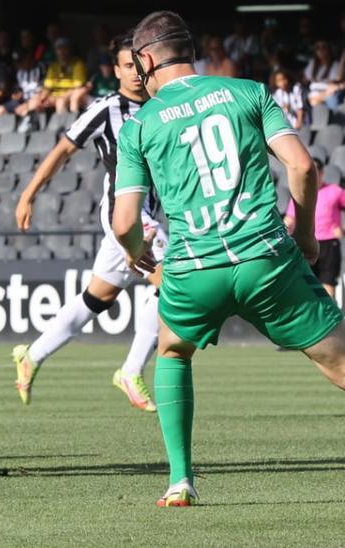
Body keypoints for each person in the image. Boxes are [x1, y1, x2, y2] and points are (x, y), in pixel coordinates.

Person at [114, 11, 345, 507]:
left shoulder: (139, 126)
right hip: (264, 255)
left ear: (147, 59)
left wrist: (139, 257)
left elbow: (123, 222)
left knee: (172, 350)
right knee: (338, 360)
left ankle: (180, 479)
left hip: (194, 267)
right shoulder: (249, 93)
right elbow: (302, 167)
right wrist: (306, 239)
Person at [13, 35, 164, 411]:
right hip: (125, 214)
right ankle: (131, 371)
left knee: (98, 296)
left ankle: (32, 354)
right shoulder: (106, 109)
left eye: (139, 65)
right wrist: (28, 194)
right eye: (127, 66)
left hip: (150, 212)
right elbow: (64, 148)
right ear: (115, 70)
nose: (135, 73)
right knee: (174, 281)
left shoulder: (163, 108)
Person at [285, 159, 345, 299]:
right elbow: (289, 219)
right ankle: (312, 318)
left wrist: (342, 229)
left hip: (329, 244)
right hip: (306, 242)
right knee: (307, 284)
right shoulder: (300, 194)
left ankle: (329, 318)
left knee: (327, 283)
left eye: (315, 173)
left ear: (322, 173)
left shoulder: (334, 191)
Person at [44, 37, 88, 114]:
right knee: (36, 102)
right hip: (55, 95)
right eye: (59, 49)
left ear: (70, 50)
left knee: (60, 102)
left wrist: (62, 96)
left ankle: (63, 126)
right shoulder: (53, 66)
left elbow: (77, 86)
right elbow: (48, 87)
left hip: (72, 94)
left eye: (65, 48)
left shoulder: (77, 64)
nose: (62, 51)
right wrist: (42, 98)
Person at [304, 40, 343, 107]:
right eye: (318, 48)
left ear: (330, 49)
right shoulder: (313, 63)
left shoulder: (335, 65)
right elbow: (305, 79)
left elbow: (336, 80)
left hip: (326, 95)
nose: (320, 50)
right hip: (312, 96)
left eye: (324, 47)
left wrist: (320, 97)